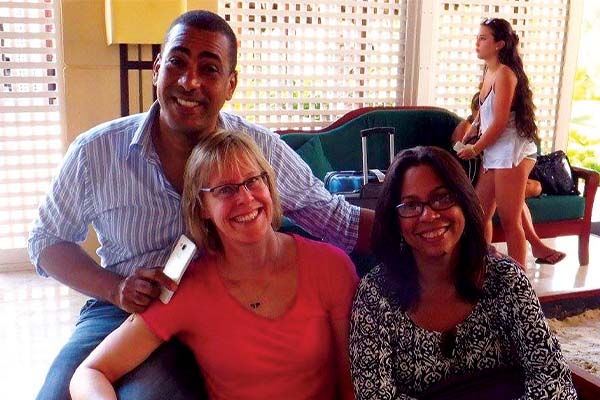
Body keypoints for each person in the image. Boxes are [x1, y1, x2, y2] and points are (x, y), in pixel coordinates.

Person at [28, 10, 372, 399]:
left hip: (212, 311)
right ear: (157, 68)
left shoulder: (257, 151)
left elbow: (336, 219)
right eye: (177, 62)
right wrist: (116, 287)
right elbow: (46, 241)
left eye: (209, 69)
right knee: (58, 393)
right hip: (117, 309)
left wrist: (422, 224)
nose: (189, 81)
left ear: (231, 84)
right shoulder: (96, 152)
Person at [69, 129, 357, 400]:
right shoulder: (187, 289)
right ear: (202, 207)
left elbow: (352, 387)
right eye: (225, 190)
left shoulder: (331, 267)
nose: (245, 199)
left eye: (253, 181)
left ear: (269, 186)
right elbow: (90, 372)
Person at [349, 146, 577, 400]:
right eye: (411, 205)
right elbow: (375, 395)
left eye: (442, 197)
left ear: (465, 203)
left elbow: (553, 381)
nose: (429, 215)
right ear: (395, 220)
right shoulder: (376, 294)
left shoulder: (506, 281)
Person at [457, 18, 541, 267]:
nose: (477, 42)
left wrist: (476, 148)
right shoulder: (489, 71)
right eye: (478, 37)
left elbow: (501, 121)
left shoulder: (505, 74)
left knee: (510, 221)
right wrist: (470, 133)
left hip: (510, 151)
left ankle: (519, 281)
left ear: (499, 44)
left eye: (483, 38)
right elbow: (484, 114)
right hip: (495, 150)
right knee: (479, 214)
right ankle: (482, 268)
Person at [454, 90, 565, 266]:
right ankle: (534, 244)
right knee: (509, 198)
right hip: (473, 178)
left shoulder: (503, 130)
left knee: (530, 189)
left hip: (501, 171)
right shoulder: (468, 127)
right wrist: (474, 143)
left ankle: (517, 270)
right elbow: (458, 153)